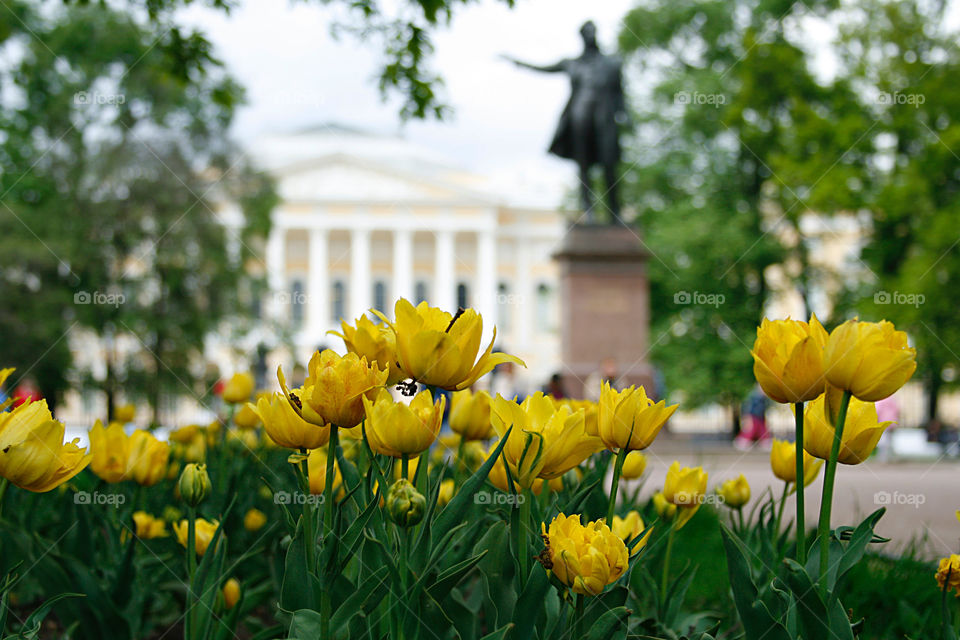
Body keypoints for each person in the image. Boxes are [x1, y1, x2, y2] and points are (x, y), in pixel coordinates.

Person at [735, 384, 770, 450]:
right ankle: (742, 441)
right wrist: (747, 417)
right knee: (750, 430)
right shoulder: (754, 397)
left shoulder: (762, 399)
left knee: (762, 430)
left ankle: (765, 442)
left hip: (760, 417)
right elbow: (748, 407)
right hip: (753, 417)